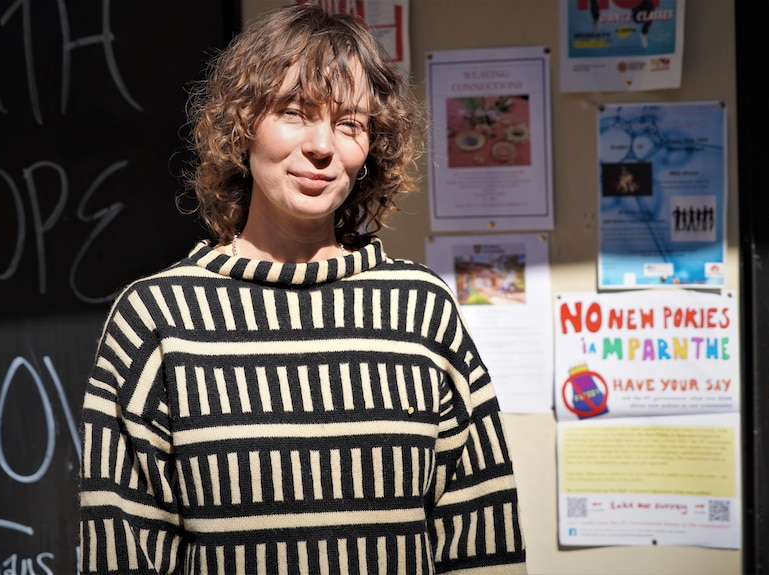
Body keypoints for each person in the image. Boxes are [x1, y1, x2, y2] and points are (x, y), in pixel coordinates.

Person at [77, 4, 527, 574]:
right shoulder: (156, 321)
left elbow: (480, 537)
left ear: (371, 151)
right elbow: (122, 548)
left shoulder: (421, 312)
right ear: (241, 125)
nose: (323, 145)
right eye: (295, 111)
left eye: (350, 124)